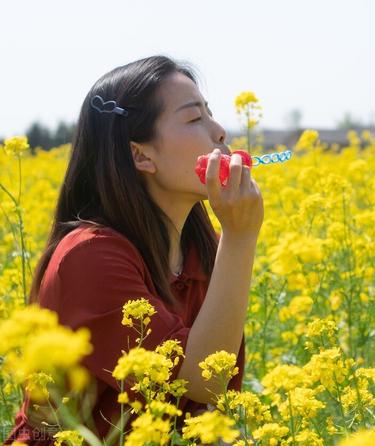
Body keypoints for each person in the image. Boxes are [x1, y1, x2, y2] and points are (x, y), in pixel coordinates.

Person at [3, 54, 264, 445]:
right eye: (195, 119)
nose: (220, 131)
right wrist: (241, 237)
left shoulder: (198, 243)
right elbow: (203, 381)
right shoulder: (89, 257)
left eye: (210, 114)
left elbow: (210, 406)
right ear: (141, 155)